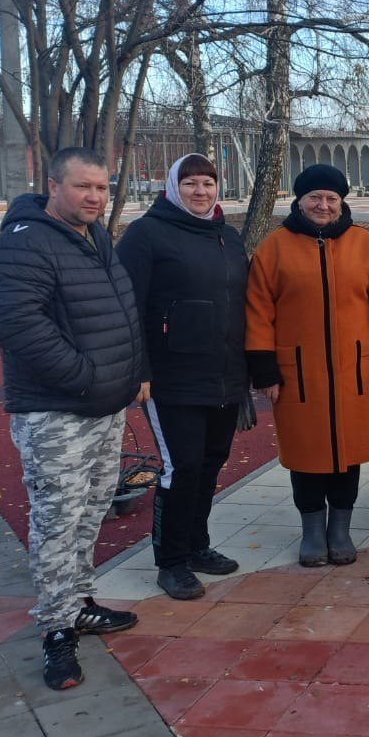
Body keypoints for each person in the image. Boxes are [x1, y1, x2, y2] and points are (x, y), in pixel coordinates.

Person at [0, 147, 145, 691]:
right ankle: (56, 629)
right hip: (55, 410)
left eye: (102, 187)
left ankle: (77, 602)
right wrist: (84, 376)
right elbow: (17, 327)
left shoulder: (95, 236)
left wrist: (131, 372)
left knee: (93, 506)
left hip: (104, 405)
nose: (95, 197)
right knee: (57, 517)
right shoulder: (22, 245)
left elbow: (121, 310)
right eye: (83, 187)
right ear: (52, 185)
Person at [245, 164, 369, 568]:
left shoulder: (364, 245)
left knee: (347, 454)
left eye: (332, 198)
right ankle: (312, 530)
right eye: (315, 197)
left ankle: (340, 529)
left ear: (341, 202)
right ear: (298, 200)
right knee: (306, 455)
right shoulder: (274, 249)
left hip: (354, 372)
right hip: (298, 374)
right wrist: (264, 370)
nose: (323, 204)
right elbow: (258, 312)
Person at [116, 153, 248, 601]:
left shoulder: (226, 236)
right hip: (170, 378)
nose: (200, 191)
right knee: (182, 467)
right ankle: (170, 562)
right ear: (173, 186)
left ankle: (197, 546)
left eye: (208, 183)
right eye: (190, 183)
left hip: (224, 376)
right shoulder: (146, 234)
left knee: (210, 465)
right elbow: (125, 306)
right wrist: (139, 370)